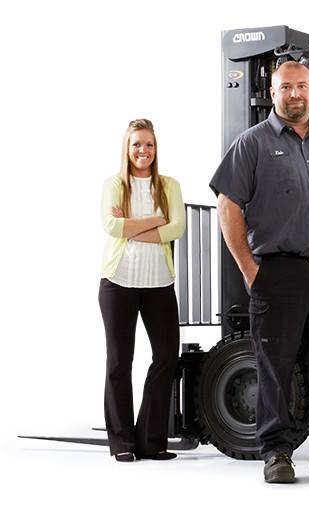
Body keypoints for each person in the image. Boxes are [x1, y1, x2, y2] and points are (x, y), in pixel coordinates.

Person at [209, 61, 309, 483]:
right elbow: (228, 204)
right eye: (287, 87)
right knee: (275, 364)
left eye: (302, 86)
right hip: (279, 272)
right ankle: (277, 451)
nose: (295, 94)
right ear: (273, 90)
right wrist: (249, 269)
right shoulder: (253, 143)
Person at [99, 118, 186, 462]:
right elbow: (111, 225)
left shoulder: (169, 185)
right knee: (120, 362)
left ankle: (152, 440)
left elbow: (176, 227)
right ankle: (122, 442)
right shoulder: (114, 184)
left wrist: (131, 225)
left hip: (158, 282)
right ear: (127, 148)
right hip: (118, 282)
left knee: (166, 357)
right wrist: (156, 220)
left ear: (155, 149)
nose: (143, 151)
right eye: (137, 144)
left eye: (148, 144)